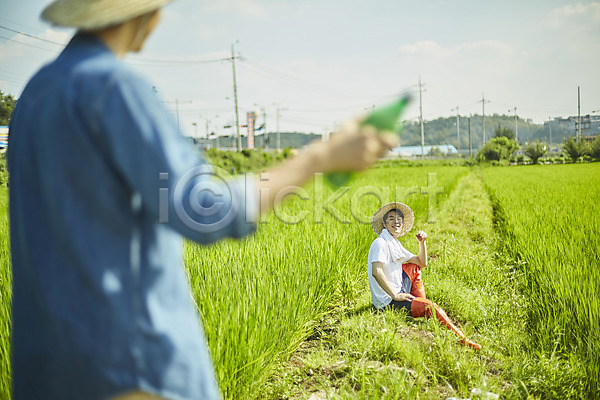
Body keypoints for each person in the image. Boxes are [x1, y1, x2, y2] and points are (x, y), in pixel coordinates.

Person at [7, 1, 398, 399]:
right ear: (147, 14)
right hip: (130, 370)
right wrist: (322, 157)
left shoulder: (35, 96)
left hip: (46, 369)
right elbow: (204, 209)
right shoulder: (114, 88)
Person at [367, 203, 481, 350]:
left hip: (396, 288)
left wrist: (422, 243)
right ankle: (463, 340)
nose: (396, 222)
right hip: (387, 302)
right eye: (391, 219)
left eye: (399, 219)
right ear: (384, 223)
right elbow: (377, 272)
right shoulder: (381, 243)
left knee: (413, 268)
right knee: (431, 307)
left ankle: (418, 304)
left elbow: (421, 263)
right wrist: (395, 295)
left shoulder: (394, 243)